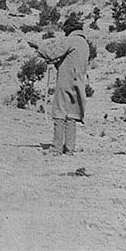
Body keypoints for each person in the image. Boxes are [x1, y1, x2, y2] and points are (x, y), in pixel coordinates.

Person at [28, 16, 90, 156]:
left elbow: (51, 54)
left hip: (66, 81)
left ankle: (56, 148)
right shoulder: (84, 43)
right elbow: (70, 60)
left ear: (69, 29)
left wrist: (38, 46)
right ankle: (69, 149)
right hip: (79, 82)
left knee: (59, 113)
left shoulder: (70, 40)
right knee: (72, 115)